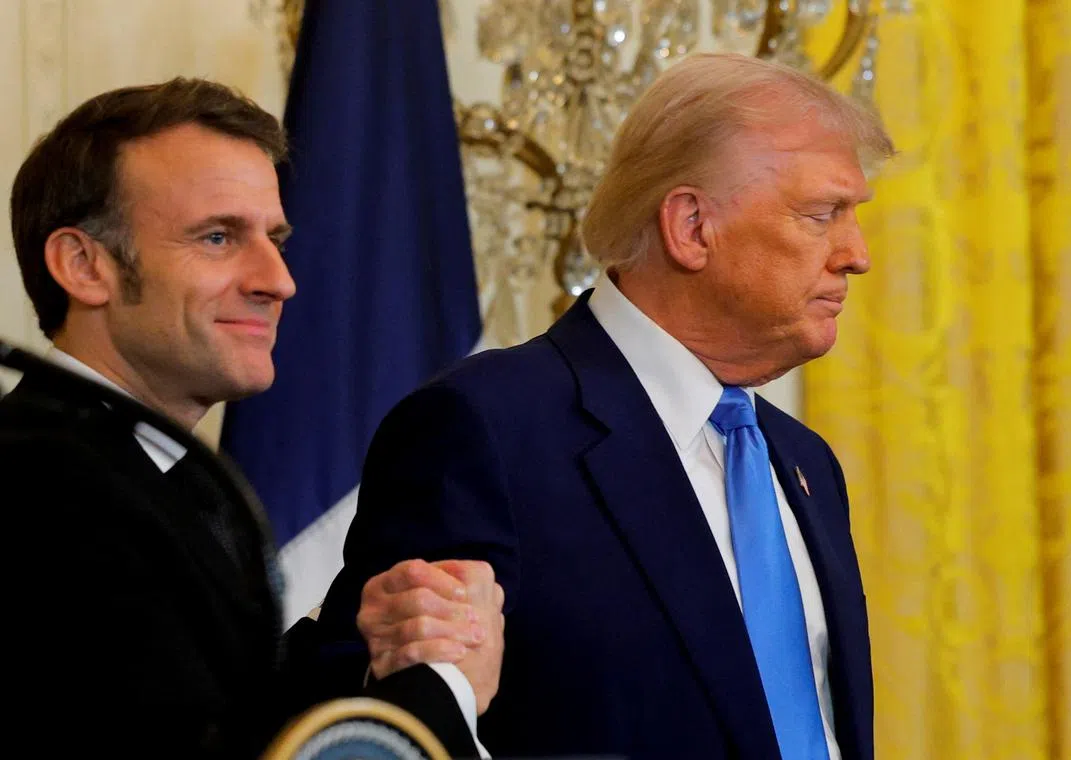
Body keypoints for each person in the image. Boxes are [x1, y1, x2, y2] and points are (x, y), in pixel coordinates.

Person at [316, 52, 895, 759]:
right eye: (822, 214)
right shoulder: (482, 430)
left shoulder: (806, 462)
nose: (857, 254)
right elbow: (374, 726)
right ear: (691, 227)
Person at [1, 78, 502, 758]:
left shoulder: (156, 474)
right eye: (217, 237)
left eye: (275, 238)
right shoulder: (43, 489)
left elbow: (223, 713)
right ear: (84, 266)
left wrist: (376, 646)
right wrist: (443, 690)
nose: (278, 279)